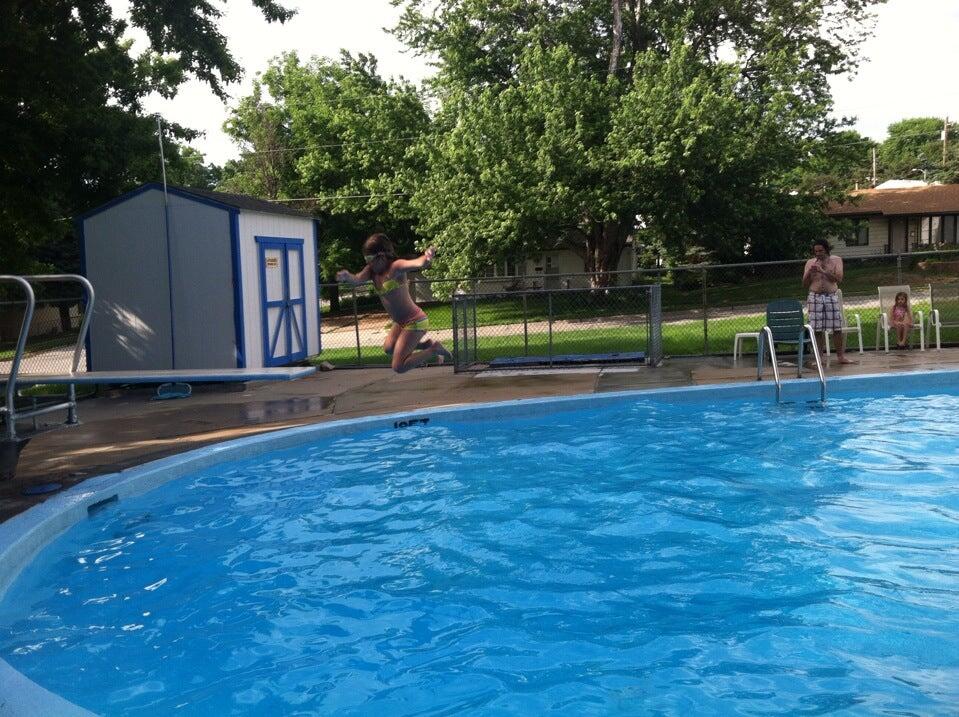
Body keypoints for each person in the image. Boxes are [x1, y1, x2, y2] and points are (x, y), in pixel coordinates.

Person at [336, 233, 452, 373]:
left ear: (381, 256)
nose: (368, 263)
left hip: (415, 321)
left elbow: (418, 263)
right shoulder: (371, 271)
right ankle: (426, 344)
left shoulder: (396, 267)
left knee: (399, 366)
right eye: (366, 259)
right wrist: (347, 276)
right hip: (400, 322)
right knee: (389, 348)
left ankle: (434, 349)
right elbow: (357, 280)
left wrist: (426, 257)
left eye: (370, 259)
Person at [802, 239, 853, 365]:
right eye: (816, 251)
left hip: (831, 296)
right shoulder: (810, 262)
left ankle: (840, 356)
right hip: (815, 297)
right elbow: (804, 284)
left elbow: (838, 279)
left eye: (821, 251)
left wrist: (823, 271)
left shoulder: (836, 260)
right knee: (817, 329)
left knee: (837, 327)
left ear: (827, 249)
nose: (818, 253)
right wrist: (809, 272)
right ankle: (819, 357)